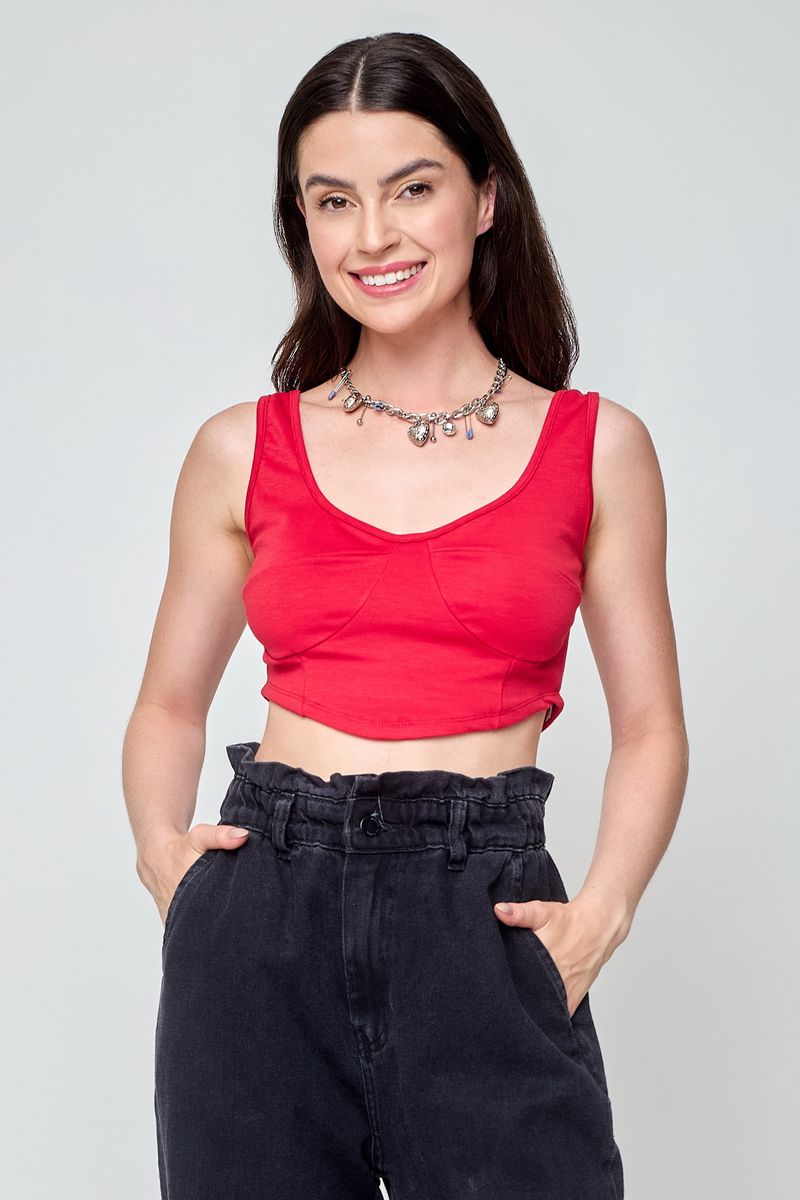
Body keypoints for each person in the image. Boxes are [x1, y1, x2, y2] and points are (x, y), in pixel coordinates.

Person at [123, 31, 689, 1200]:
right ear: (302, 225)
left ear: (484, 198)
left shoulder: (597, 449)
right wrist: (169, 863)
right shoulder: (239, 449)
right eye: (333, 201)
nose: (372, 235)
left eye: (411, 188)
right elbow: (169, 704)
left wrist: (602, 911)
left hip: (480, 912)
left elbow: (649, 727)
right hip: (261, 918)